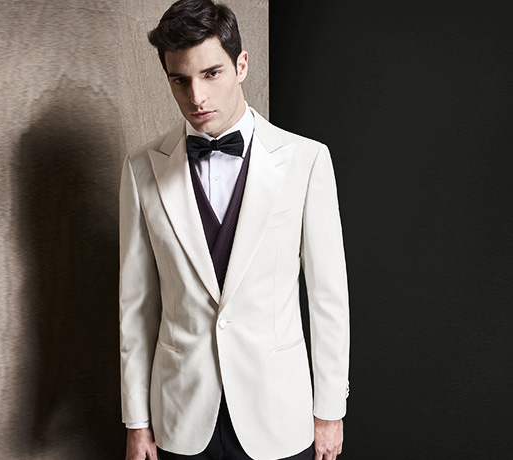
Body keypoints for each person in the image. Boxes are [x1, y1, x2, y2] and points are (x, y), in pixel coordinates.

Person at [119, 1, 350, 459]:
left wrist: (329, 412)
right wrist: (137, 422)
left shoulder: (306, 161)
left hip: (278, 414)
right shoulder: (141, 169)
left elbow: (328, 299)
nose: (196, 97)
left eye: (211, 74)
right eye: (180, 80)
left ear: (241, 65)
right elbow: (136, 307)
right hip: (180, 416)